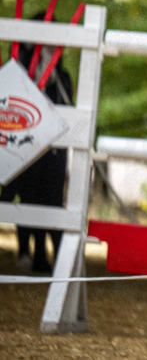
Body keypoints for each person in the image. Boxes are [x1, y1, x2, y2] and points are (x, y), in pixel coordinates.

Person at [0, 17, 73, 274]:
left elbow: (65, 109)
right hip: (26, 145)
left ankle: (56, 259)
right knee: (27, 194)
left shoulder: (60, 78)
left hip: (53, 152)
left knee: (51, 199)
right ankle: (26, 250)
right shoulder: (18, 71)